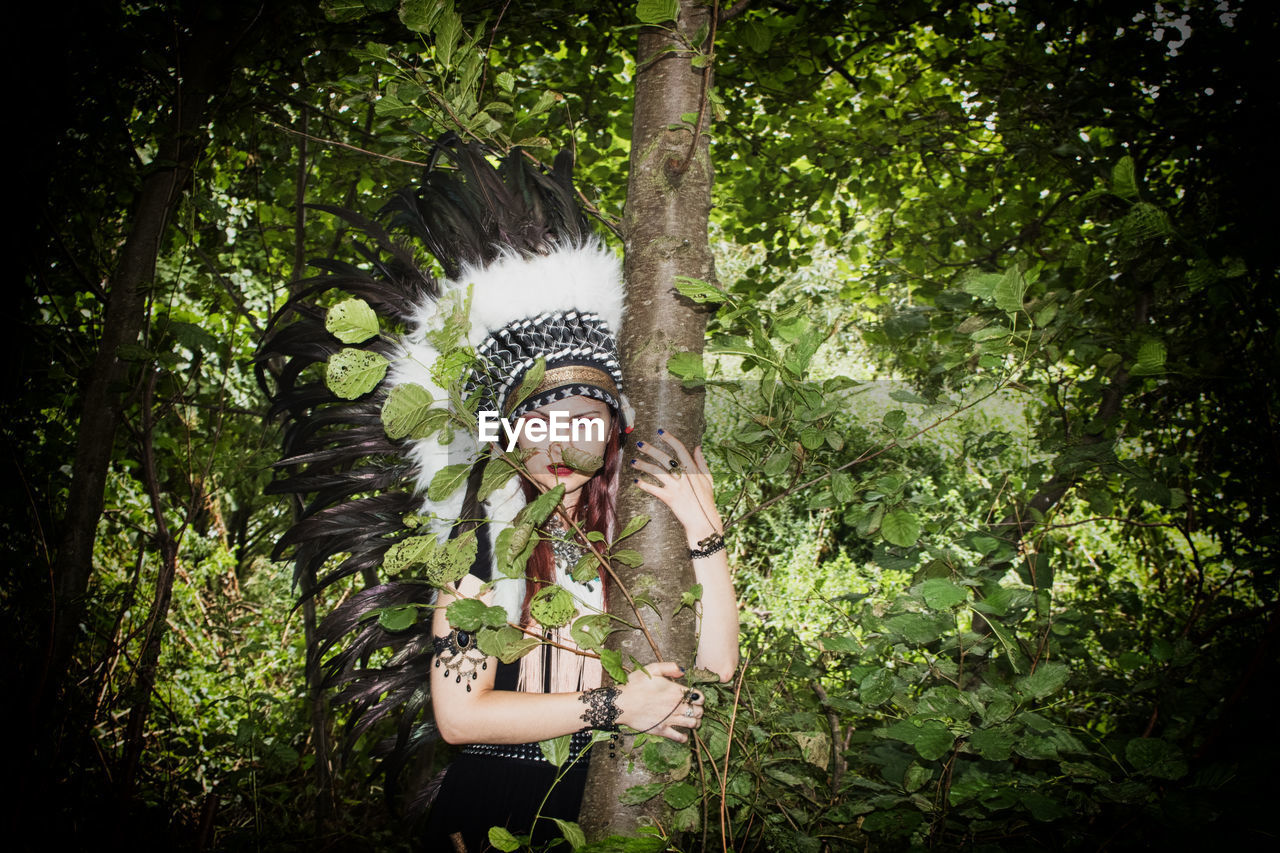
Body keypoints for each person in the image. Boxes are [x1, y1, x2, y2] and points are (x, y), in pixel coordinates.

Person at [421, 388, 738, 849]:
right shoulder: (479, 538)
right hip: (502, 809)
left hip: (626, 800)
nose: (560, 443)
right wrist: (620, 706)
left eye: (583, 421)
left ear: (611, 429)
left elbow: (717, 666)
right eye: (536, 422)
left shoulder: (638, 543)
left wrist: (705, 528)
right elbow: (459, 716)